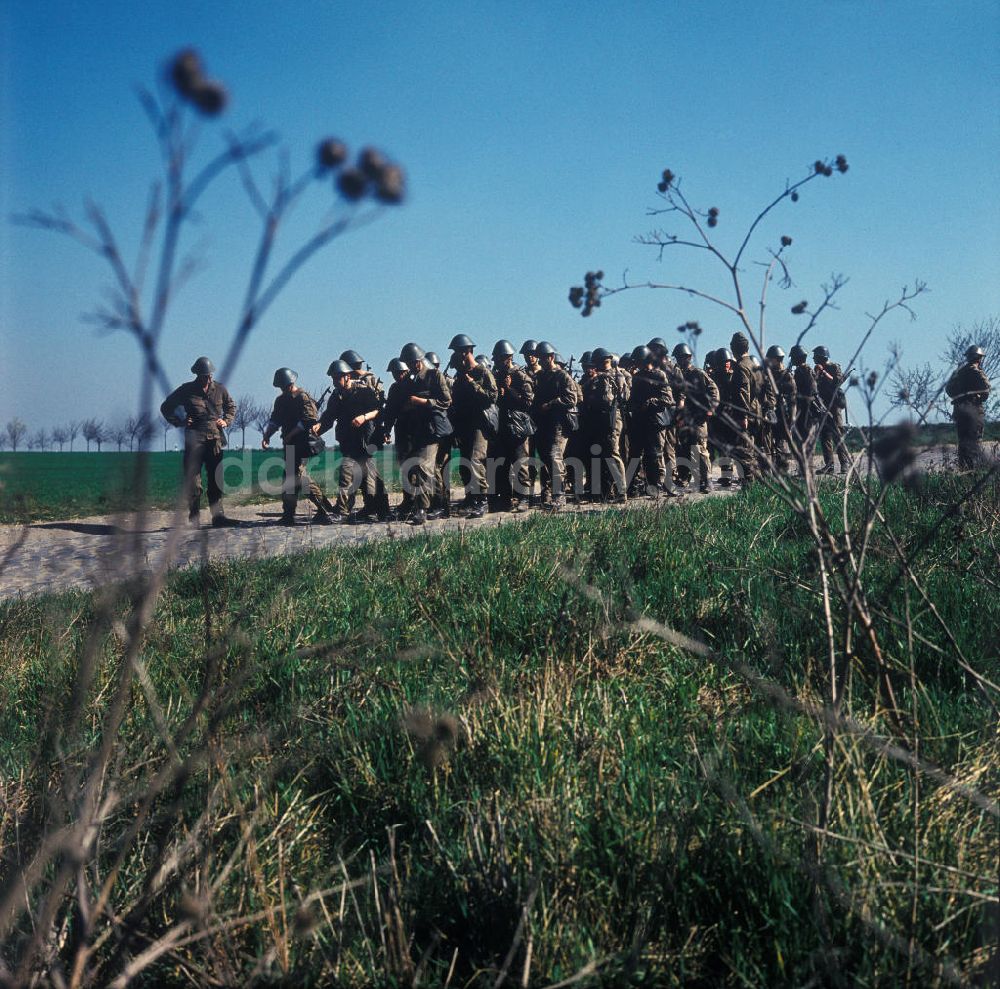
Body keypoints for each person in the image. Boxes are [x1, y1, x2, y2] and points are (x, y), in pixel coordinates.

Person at [160, 356, 239, 527]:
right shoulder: (186, 390)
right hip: (194, 442)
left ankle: (218, 517)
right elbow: (166, 407)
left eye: (210, 375)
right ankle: (194, 517)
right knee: (193, 483)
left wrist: (226, 420)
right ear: (197, 375)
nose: (208, 378)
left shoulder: (220, 389)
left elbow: (231, 406)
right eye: (205, 375)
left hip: (215, 442)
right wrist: (179, 421)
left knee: (216, 481)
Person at [383, 343, 452, 525]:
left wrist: (423, 402)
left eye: (413, 362)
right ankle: (438, 504)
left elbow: (446, 401)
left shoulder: (434, 376)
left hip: (432, 431)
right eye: (408, 363)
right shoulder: (406, 383)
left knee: (423, 468)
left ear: (419, 360)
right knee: (422, 470)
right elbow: (392, 409)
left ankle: (422, 509)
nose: (411, 366)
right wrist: (387, 428)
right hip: (414, 432)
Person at [261, 368, 336, 526]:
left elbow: (310, 419)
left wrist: (291, 434)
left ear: (291, 383)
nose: (283, 389)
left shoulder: (302, 397)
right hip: (289, 444)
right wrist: (267, 435)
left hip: (302, 444)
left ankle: (326, 510)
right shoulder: (281, 400)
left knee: (300, 477)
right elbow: (275, 419)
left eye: (285, 386)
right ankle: (288, 515)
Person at [316, 359, 385, 521]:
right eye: (333, 378)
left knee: (364, 477)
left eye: (337, 378)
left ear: (347, 377)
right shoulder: (337, 395)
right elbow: (329, 417)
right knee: (358, 475)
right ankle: (358, 510)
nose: (334, 381)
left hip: (365, 440)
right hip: (349, 441)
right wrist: (318, 428)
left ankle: (353, 511)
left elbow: (379, 410)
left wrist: (363, 417)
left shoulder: (363, 391)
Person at [448, 334, 498, 518]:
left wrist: (473, 384)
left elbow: (492, 398)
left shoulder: (482, 373)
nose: (458, 355)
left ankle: (482, 500)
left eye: (460, 351)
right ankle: (471, 497)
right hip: (464, 423)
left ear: (468, 351)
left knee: (476, 460)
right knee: (465, 462)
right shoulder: (459, 375)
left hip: (480, 423)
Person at [490, 339, 535, 512]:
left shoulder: (520, 376)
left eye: (499, 358)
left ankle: (523, 497)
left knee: (520, 462)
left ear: (507, 358)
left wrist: (509, 390)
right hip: (501, 425)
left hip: (518, 424)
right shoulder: (496, 375)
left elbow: (528, 402)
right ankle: (505, 498)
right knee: (501, 463)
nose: (497, 362)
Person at [532, 341, 577, 510]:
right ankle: (550, 494)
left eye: (542, 358)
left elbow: (572, 399)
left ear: (550, 357)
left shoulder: (562, 376)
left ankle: (560, 496)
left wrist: (551, 404)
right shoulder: (541, 377)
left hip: (559, 424)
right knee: (546, 458)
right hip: (544, 424)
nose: (540, 361)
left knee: (554, 457)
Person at [672, 343, 719, 493]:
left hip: (698, 417)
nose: (680, 360)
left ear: (689, 358)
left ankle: (707, 480)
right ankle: (684, 478)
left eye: (683, 357)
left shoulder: (698, 373)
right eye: (678, 358)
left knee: (700, 449)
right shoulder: (677, 376)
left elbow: (714, 390)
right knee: (682, 449)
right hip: (683, 418)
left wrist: (711, 408)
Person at [627, 346, 674, 496]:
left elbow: (668, 399)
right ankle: (633, 486)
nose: (637, 364)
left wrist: (652, 401)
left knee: (653, 455)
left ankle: (655, 486)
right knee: (635, 454)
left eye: (639, 361)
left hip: (655, 421)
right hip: (640, 421)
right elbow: (632, 398)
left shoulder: (660, 375)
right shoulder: (636, 377)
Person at [946, 345, 991, 468]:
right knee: (974, 441)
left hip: (959, 411)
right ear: (979, 358)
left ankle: (963, 469)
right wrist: (978, 397)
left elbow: (948, 389)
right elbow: (987, 389)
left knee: (963, 442)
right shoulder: (976, 371)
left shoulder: (958, 372)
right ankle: (973, 473)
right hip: (973, 411)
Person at [813, 345, 851, 475]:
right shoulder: (816, 369)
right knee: (825, 436)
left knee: (838, 434)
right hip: (822, 405)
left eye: (816, 356)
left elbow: (837, 382)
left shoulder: (834, 367)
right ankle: (829, 465)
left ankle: (844, 463)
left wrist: (824, 372)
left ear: (822, 357)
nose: (813, 359)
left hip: (834, 405)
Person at [764, 346, 796, 473]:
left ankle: (782, 474)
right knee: (770, 444)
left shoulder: (787, 376)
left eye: (770, 359)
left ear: (777, 359)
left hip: (783, 414)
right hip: (772, 412)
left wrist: (792, 419)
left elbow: (792, 399)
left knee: (782, 444)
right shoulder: (769, 374)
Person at [789, 344, 816, 465]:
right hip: (804, 409)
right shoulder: (803, 371)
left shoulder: (804, 371)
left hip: (806, 410)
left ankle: (807, 468)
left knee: (806, 440)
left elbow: (809, 391)